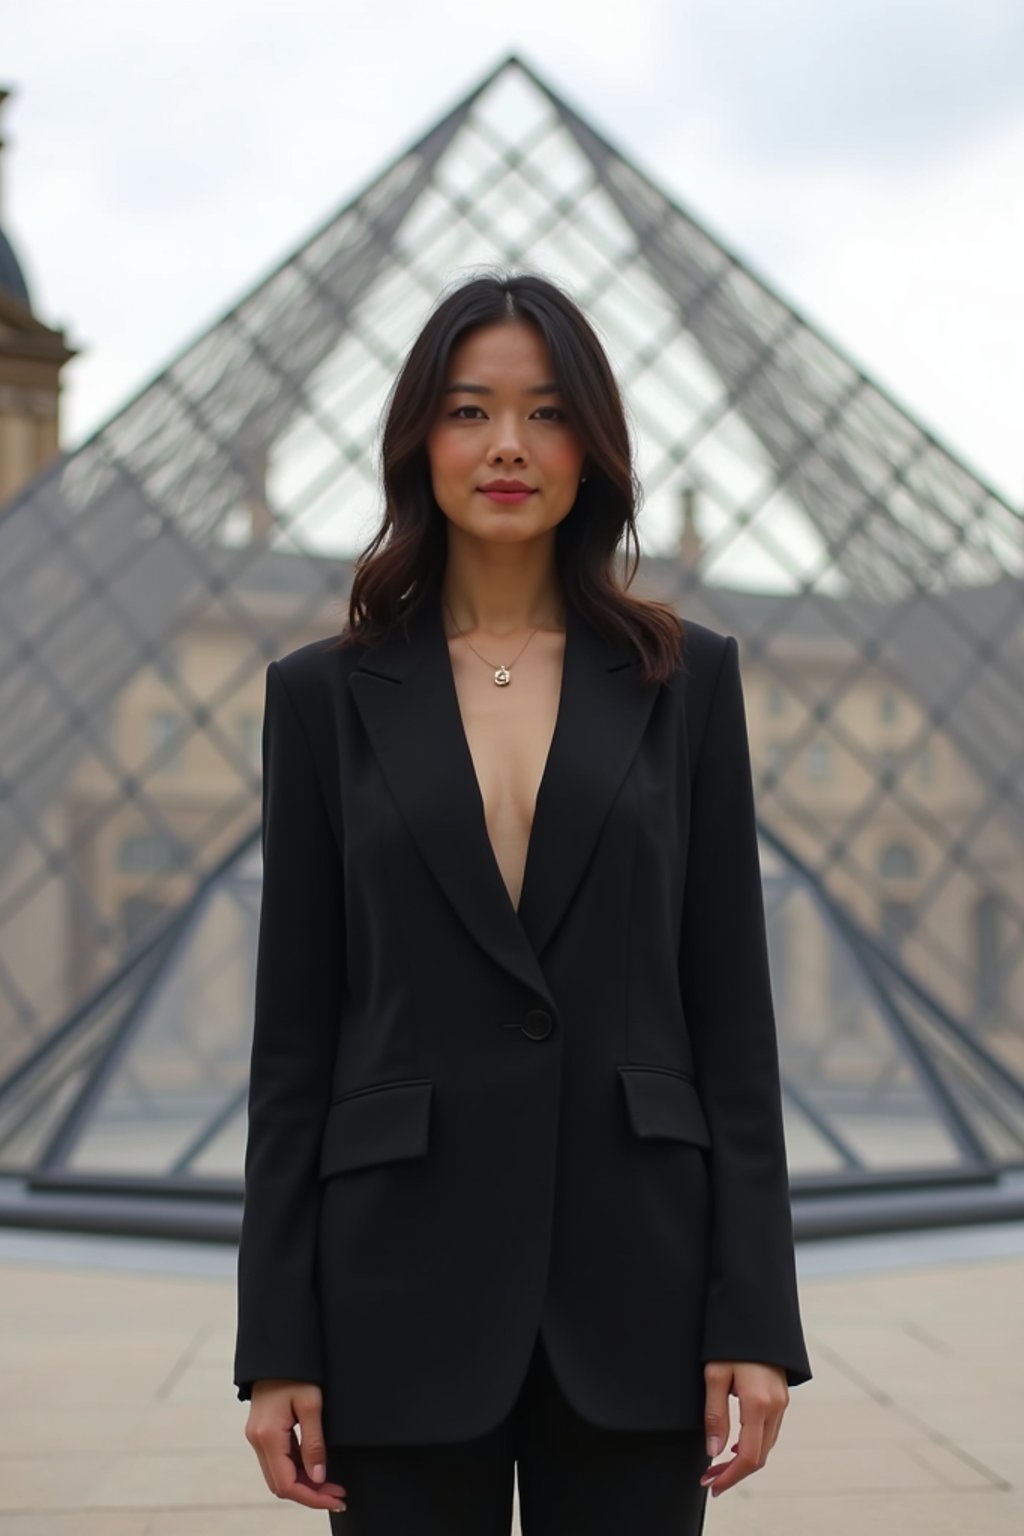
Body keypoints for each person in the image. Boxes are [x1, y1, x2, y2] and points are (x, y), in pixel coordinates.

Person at [233, 269, 811, 1533]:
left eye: (545, 414)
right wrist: (277, 1339)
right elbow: (294, 1042)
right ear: (416, 443)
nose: (507, 445)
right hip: (391, 1284)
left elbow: (733, 1028)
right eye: (467, 410)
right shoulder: (321, 698)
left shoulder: (687, 683)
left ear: (590, 446)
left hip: (639, 1291)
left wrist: (754, 1315)